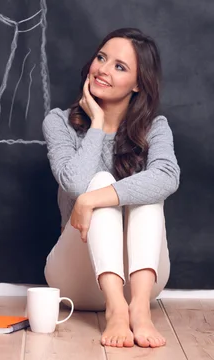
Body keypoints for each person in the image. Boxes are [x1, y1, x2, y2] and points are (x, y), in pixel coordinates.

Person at [43, 28, 180, 349]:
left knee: (147, 190)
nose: (103, 69)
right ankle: (116, 309)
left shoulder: (155, 127)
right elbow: (75, 182)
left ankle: (139, 308)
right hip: (76, 280)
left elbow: (167, 176)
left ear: (137, 83)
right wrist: (97, 125)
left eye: (119, 66)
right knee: (101, 181)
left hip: (142, 280)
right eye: (101, 58)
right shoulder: (59, 122)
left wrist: (90, 200)